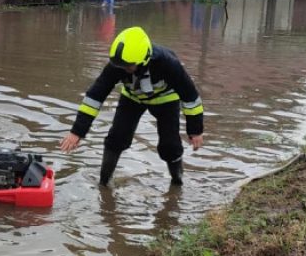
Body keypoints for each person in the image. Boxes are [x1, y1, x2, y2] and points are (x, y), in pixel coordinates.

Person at [59, 26, 204, 186]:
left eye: (128, 67)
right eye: (120, 66)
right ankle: (103, 184)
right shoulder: (118, 65)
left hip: (166, 100)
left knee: (170, 145)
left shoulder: (169, 63)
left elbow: (190, 97)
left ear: (143, 60)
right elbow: (95, 96)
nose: (123, 70)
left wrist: (195, 131)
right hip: (132, 98)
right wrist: (77, 132)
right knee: (116, 138)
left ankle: (177, 183)